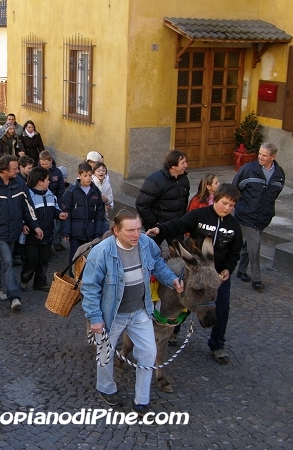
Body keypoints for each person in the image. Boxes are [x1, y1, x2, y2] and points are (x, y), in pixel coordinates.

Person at [81, 209, 184, 413]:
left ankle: (142, 400)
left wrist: (171, 280)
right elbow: (90, 287)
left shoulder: (146, 243)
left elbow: (158, 265)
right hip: (112, 313)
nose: (136, 235)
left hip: (140, 310)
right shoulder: (101, 252)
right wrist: (95, 318)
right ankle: (106, 387)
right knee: (105, 354)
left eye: (139, 229)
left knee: (148, 352)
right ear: (116, 231)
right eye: (130, 231)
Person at [146, 183, 243, 364]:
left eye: (232, 205)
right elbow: (179, 224)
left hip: (216, 278)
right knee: (182, 301)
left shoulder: (234, 226)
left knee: (221, 308)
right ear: (215, 199)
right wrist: (160, 229)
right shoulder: (200, 215)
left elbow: (235, 252)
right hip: (194, 273)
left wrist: (228, 269)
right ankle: (173, 331)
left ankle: (217, 345)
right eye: (224, 203)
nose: (227, 208)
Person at [0, 155, 43, 311]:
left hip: (12, 232)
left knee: (1, 261)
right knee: (7, 261)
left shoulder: (19, 183)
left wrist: (35, 225)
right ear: (4, 170)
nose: (18, 171)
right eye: (15, 169)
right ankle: (14, 297)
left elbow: (28, 206)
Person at [232, 142, 285, 290]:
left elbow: (274, 195)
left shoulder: (279, 174)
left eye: (264, 155)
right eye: (259, 154)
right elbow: (234, 188)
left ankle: (241, 270)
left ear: (272, 157)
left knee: (249, 244)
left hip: (263, 218)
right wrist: (239, 207)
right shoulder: (248, 170)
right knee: (255, 246)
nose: (260, 157)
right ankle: (256, 279)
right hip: (246, 216)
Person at [20, 167, 68, 292]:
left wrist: (59, 214)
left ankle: (40, 282)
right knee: (31, 260)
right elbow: (22, 213)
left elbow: (54, 208)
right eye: (47, 180)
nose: (49, 182)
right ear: (39, 182)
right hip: (31, 236)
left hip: (47, 233)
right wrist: (23, 224)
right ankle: (24, 279)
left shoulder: (50, 194)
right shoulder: (27, 196)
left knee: (44, 259)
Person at [135, 150, 190, 245]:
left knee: (179, 254)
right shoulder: (154, 180)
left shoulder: (184, 179)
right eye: (183, 163)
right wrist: (154, 222)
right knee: (152, 254)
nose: (186, 165)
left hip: (175, 225)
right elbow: (141, 204)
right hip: (157, 226)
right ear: (173, 166)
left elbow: (183, 202)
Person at [61, 162, 106, 264]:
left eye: (90, 175)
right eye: (85, 176)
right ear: (79, 176)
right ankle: (73, 278)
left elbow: (100, 214)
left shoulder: (95, 192)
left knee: (89, 258)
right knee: (75, 256)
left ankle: (85, 279)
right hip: (75, 231)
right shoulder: (71, 192)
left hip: (90, 231)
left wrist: (98, 233)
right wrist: (66, 232)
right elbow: (66, 212)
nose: (88, 178)